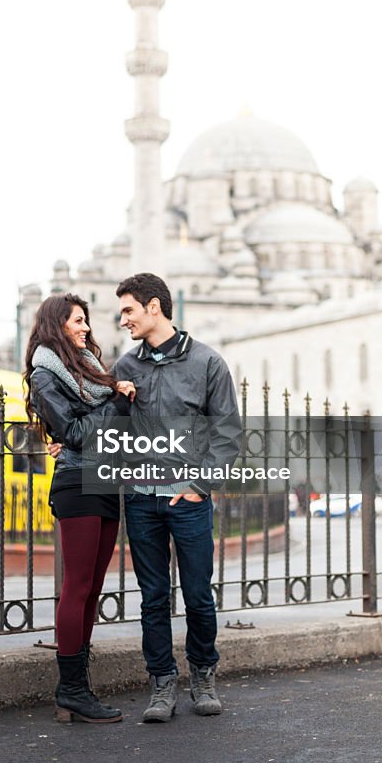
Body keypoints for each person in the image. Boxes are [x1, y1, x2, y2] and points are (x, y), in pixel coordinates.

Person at [113, 273, 242, 723]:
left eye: (128, 309)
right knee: (152, 597)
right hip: (142, 500)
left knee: (197, 594)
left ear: (154, 307)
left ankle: (203, 675)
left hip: (188, 500)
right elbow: (110, 431)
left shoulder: (208, 362)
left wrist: (198, 486)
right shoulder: (125, 368)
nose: (122, 319)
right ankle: (162, 684)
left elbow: (227, 435)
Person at [25, 292, 135, 724]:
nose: (85, 327)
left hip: (105, 479)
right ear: (56, 324)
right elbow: (72, 431)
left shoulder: (88, 371)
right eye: (76, 321)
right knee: (77, 584)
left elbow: (109, 430)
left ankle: (78, 687)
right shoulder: (45, 373)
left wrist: (114, 401)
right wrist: (116, 401)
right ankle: (70, 689)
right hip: (77, 481)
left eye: (86, 320)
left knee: (93, 588)